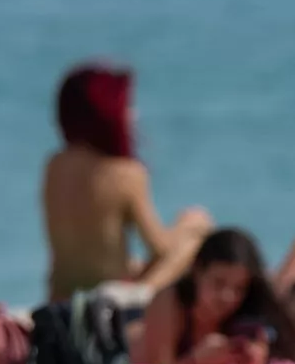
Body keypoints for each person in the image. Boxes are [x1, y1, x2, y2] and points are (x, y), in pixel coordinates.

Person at [42, 63, 211, 302]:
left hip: (61, 293)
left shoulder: (54, 165)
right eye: (127, 105)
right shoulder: (125, 173)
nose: (133, 113)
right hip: (110, 295)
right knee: (195, 235)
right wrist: (190, 226)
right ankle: (142, 298)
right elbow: (159, 248)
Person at [135, 229, 295, 364]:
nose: (227, 297)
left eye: (238, 288)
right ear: (197, 272)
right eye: (218, 283)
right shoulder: (170, 300)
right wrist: (195, 362)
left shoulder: (246, 311)